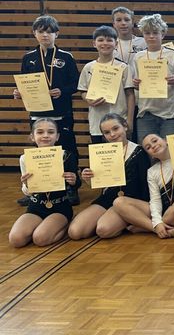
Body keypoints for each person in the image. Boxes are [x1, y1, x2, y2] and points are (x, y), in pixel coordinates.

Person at [14, 15, 80, 206]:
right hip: (37, 114)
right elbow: (24, 83)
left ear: (56, 34)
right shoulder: (28, 58)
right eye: (41, 31)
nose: (45, 35)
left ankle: (70, 189)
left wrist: (63, 90)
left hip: (62, 114)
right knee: (40, 153)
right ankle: (37, 188)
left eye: (49, 31)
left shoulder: (66, 57)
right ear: (35, 33)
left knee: (68, 151)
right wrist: (20, 93)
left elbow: (76, 84)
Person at [68, 114, 150, 239]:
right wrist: (89, 178)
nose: (112, 134)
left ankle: (131, 219)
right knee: (75, 232)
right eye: (107, 132)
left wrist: (144, 211)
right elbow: (101, 183)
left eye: (116, 129)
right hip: (107, 198)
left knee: (103, 230)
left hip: (128, 201)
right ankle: (114, 220)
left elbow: (146, 185)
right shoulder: (101, 153)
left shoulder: (139, 151)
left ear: (125, 127)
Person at [111, 133, 174, 238]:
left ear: (165, 140)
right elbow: (155, 200)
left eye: (155, 141)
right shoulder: (152, 171)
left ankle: (146, 227)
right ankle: (159, 229)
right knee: (119, 202)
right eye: (148, 147)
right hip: (162, 209)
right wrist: (157, 222)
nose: (153, 146)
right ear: (150, 154)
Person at [9, 118, 76, 247]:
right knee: (16, 240)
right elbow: (27, 192)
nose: (45, 135)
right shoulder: (25, 159)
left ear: (57, 137)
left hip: (59, 206)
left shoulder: (66, 156)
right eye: (40, 132)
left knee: (40, 239)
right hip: (36, 206)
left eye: (50, 132)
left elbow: (76, 184)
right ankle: (43, 226)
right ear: (32, 137)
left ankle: (65, 224)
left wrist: (73, 180)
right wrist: (27, 185)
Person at [132, 14, 174, 143]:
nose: (151, 36)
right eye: (147, 33)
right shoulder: (138, 57)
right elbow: (136, 84)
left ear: (162, 34)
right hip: (145, 113)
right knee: (148, 152)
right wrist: (136, 84)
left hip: (169, 115)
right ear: (143, 35)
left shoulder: (173, 55)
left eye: (155, 33)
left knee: (170, 152)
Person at [77, 25, 135, 143]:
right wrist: (88, 100)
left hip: (119, 121)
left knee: (121, 158)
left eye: (109, 40)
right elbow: (82, 91)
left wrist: (129, 121)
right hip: (97, 123)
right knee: (101, 159)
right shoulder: (88, 67)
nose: (105, 43)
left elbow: (130, 94)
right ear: (94, 43)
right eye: (100, 40)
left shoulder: (123, 67)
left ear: (116, 43)